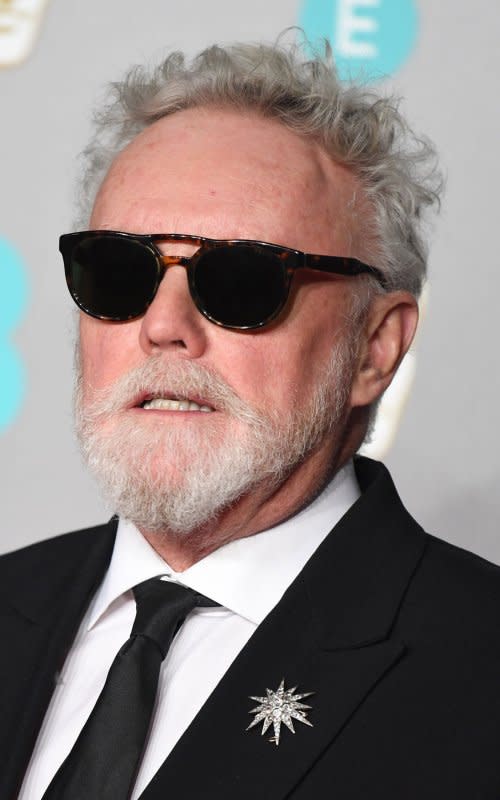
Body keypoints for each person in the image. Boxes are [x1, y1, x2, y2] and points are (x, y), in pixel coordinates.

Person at [2, 36, 500, 800]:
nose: (164, 326)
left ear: (376, 346)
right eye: (120, 271)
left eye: (240, 281)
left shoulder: (479, 667)